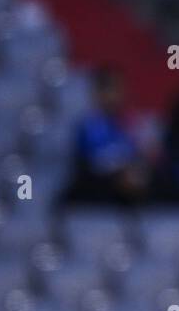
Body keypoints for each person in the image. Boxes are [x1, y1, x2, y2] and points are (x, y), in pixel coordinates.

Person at [59, 68, 150, 207]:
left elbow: (136, 154)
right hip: (94, 187)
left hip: (123, 187)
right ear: (98, 93)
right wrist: (122, 168)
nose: (118, 95)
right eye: (112, 89)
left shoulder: (128, 123)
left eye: (120, 89)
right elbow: (95, 160)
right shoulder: (88, 124)